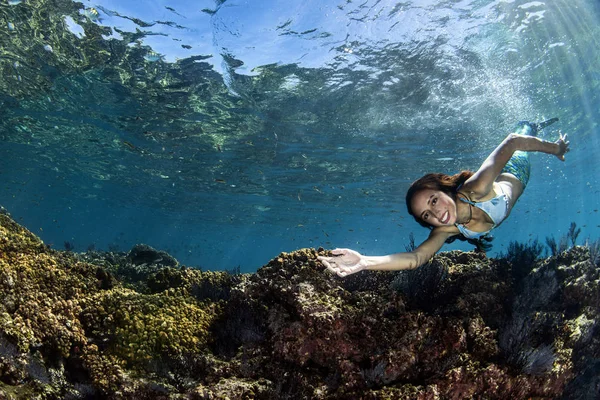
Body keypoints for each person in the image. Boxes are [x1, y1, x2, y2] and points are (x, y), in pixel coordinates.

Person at [318, 119, 570, 277]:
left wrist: (556, 149)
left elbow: (513, 143)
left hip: (515, 172)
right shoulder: (446, 230)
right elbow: (415, 259)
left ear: (445, 189)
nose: (436, 214)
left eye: (433, 201)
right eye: (427, 215)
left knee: (522, 137)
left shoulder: (476, 188)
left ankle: (529, 123)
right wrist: (364, 261)